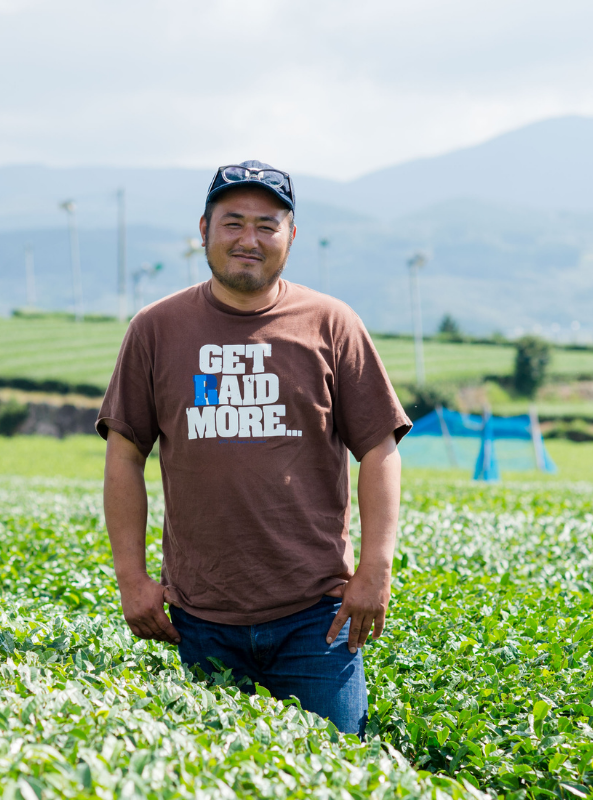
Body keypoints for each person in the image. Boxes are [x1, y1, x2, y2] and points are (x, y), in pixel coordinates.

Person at [96, 160, 411, 736]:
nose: (249, 240)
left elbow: (379, 450)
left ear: (291, 235)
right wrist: (131, 578)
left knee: (335, 776)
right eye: (233, 223)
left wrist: (376, 569)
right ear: (204, 231)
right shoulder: (156, 328)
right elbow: (124, 454)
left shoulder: (332, 324)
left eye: (267, 225)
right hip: (200, 617)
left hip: (317, 617)